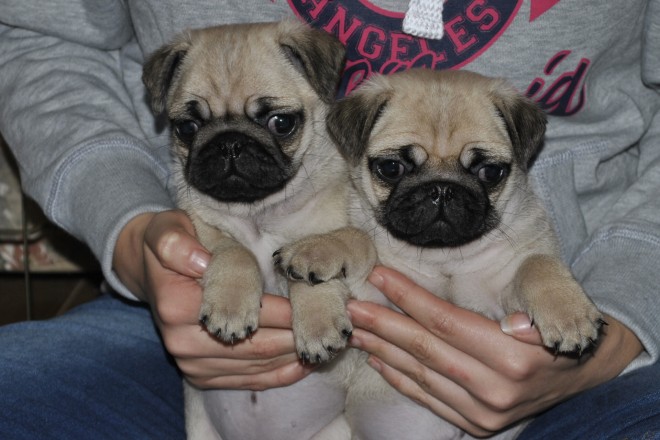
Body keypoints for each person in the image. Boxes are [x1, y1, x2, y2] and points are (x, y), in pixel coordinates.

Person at [0, 0, 658, 438]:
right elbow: (43, 39)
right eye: (396, 168)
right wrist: (131, 229)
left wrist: (625, 315)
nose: (437, 193)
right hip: (171, 320)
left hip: (600, 321)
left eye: (482, 170)